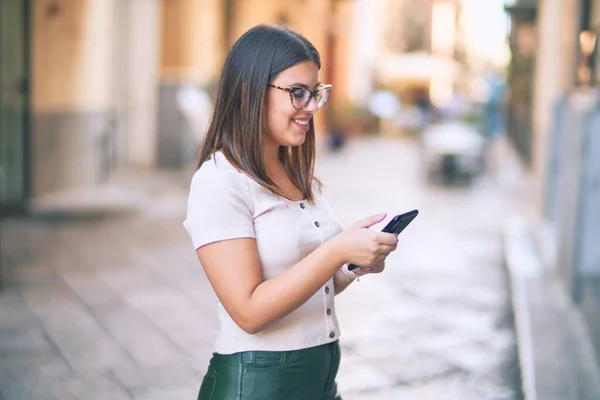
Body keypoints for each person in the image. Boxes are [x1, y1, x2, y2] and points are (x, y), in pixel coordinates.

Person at [183, 24, 399, 400]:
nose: (312, 107)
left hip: (320, 383)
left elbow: (308, 285)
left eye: (315, 93)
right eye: (297, 93)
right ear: (250, 91)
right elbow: (249, 312)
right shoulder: (219, 181)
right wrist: (336, 250)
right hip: (256, 386)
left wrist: (352, 265)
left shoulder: (299, 174)